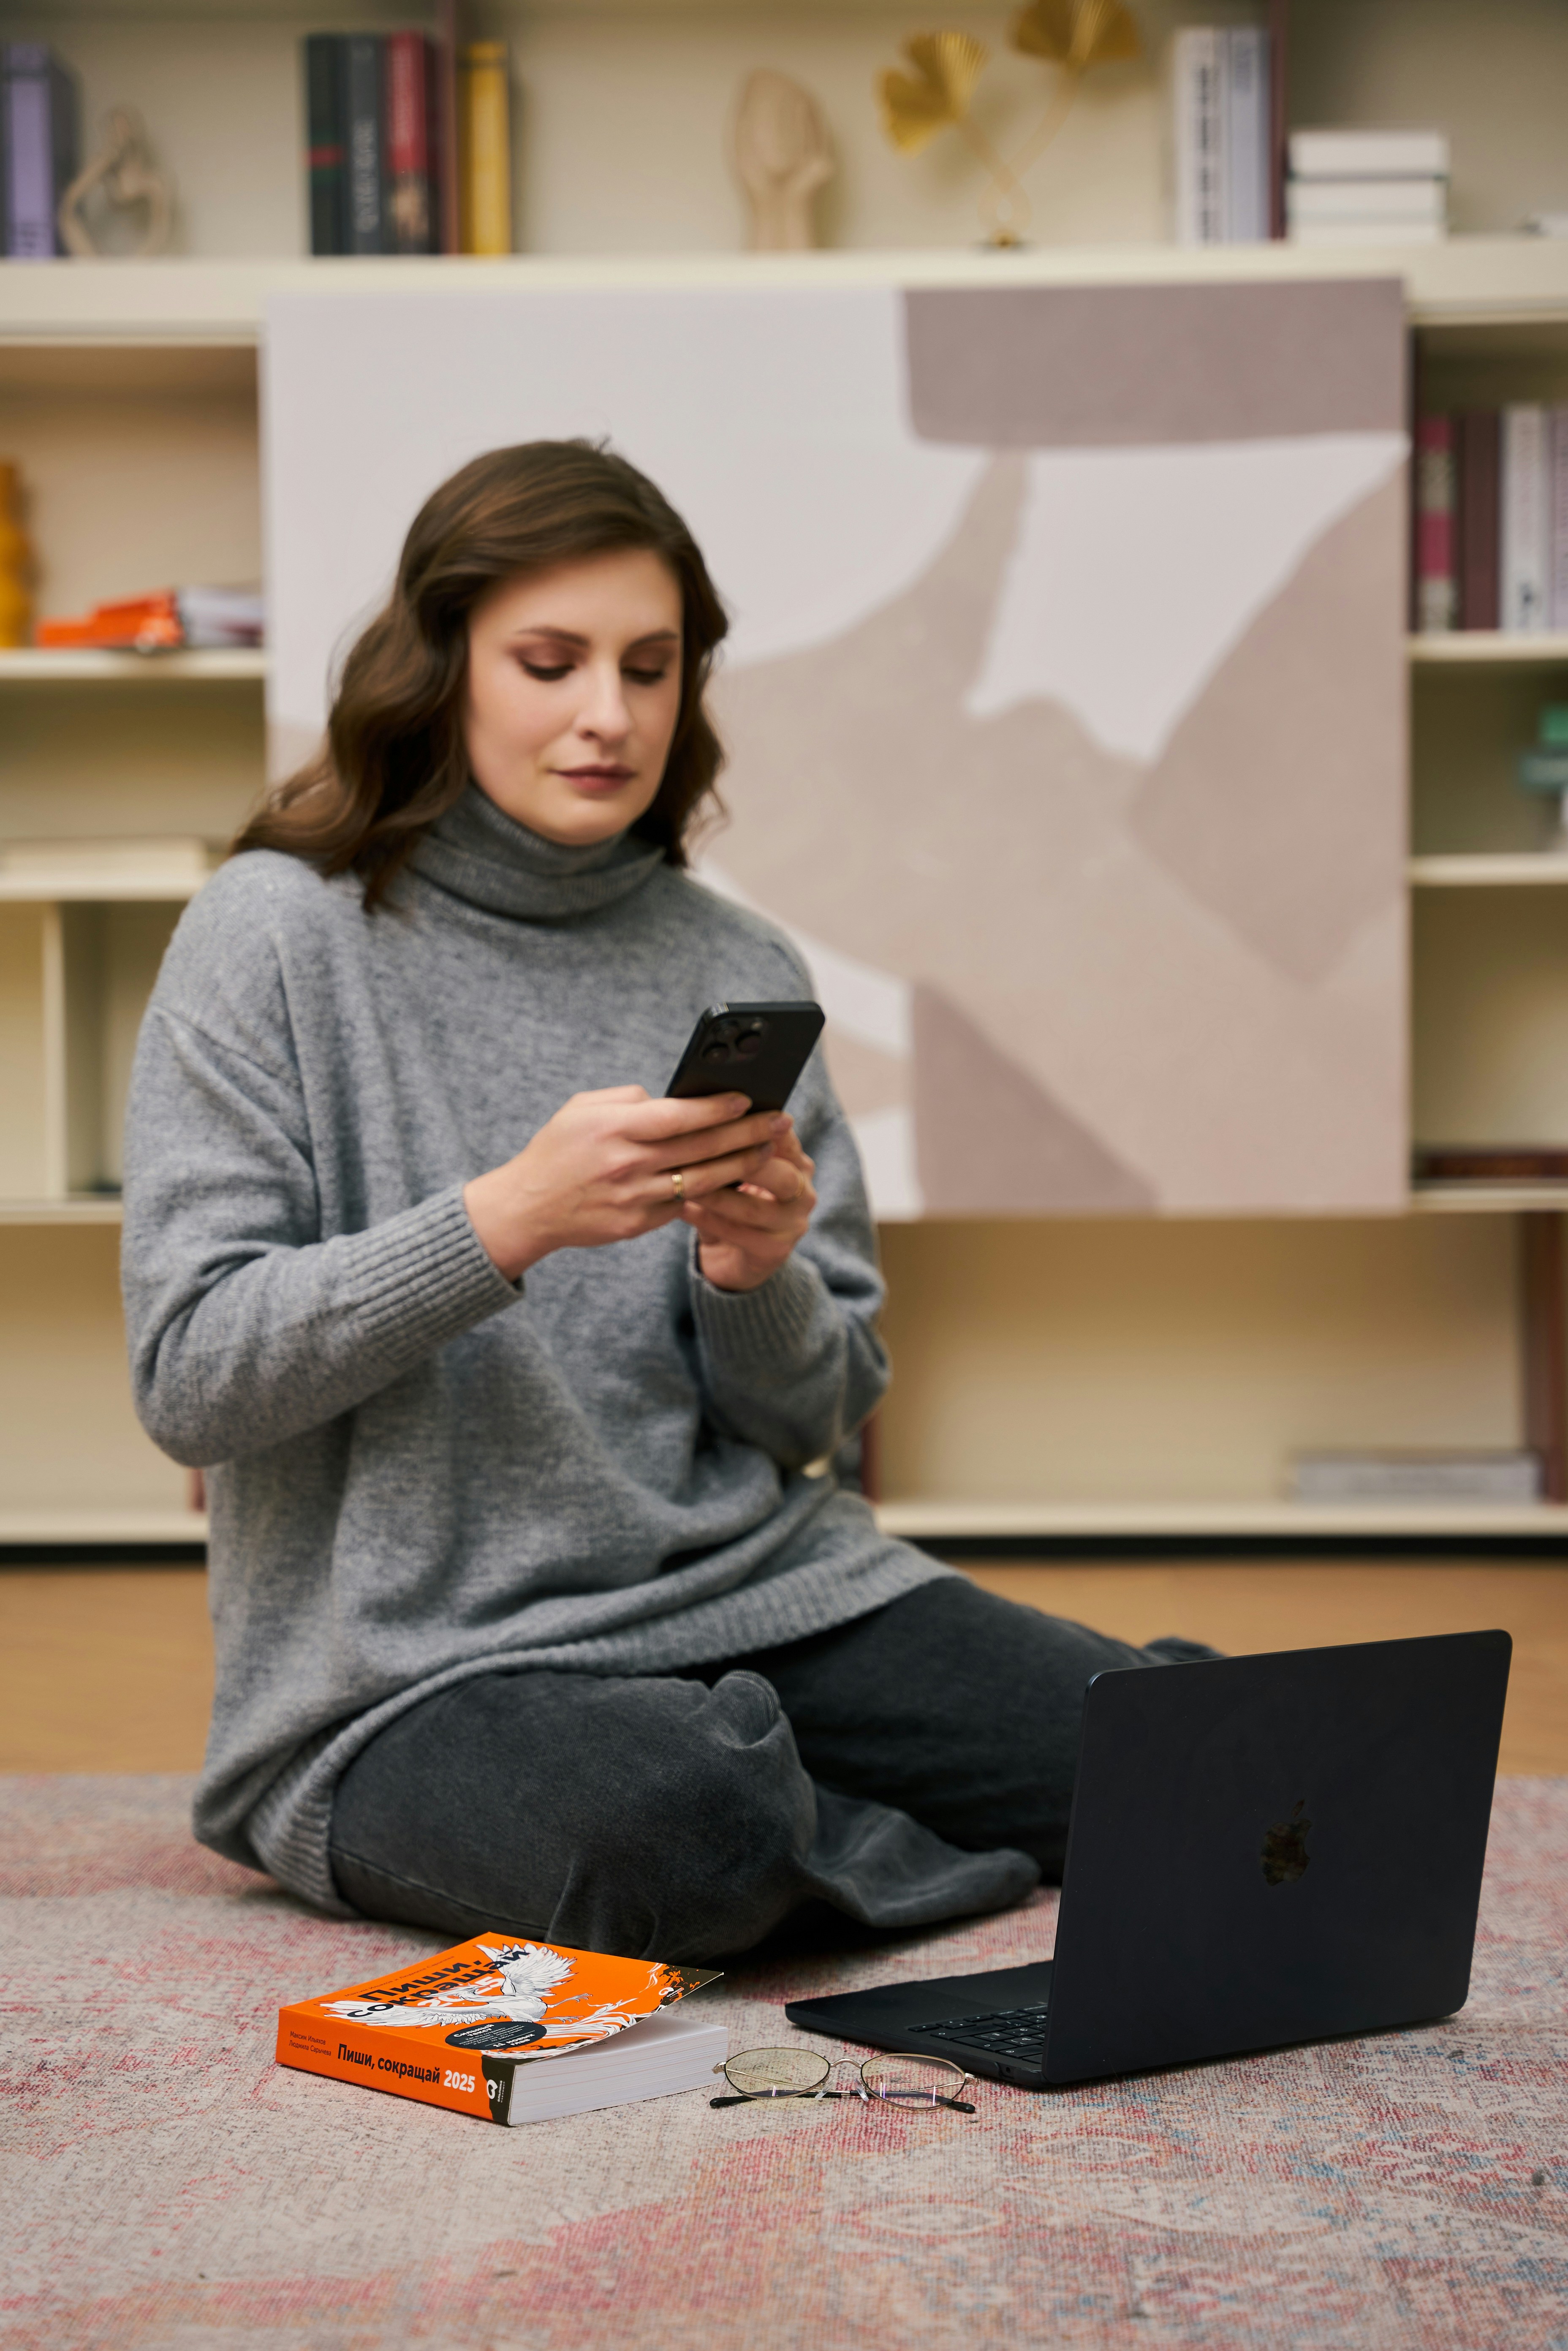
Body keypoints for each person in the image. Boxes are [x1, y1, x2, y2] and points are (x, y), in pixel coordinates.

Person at [122, 440, 1213, 1963]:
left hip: (761, 1594)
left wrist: (755, 1275)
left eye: (650, 667)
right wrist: (501, 1220)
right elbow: (189, 1380)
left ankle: (787, 1791)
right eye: (550, 662)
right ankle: (781, 1804)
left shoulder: (737, 962)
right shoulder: (275, 934)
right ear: (439, 669)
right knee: (673, 1839)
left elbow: (809, 1421)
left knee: (1189, 1757)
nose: (608, 716)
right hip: (412, 1677)